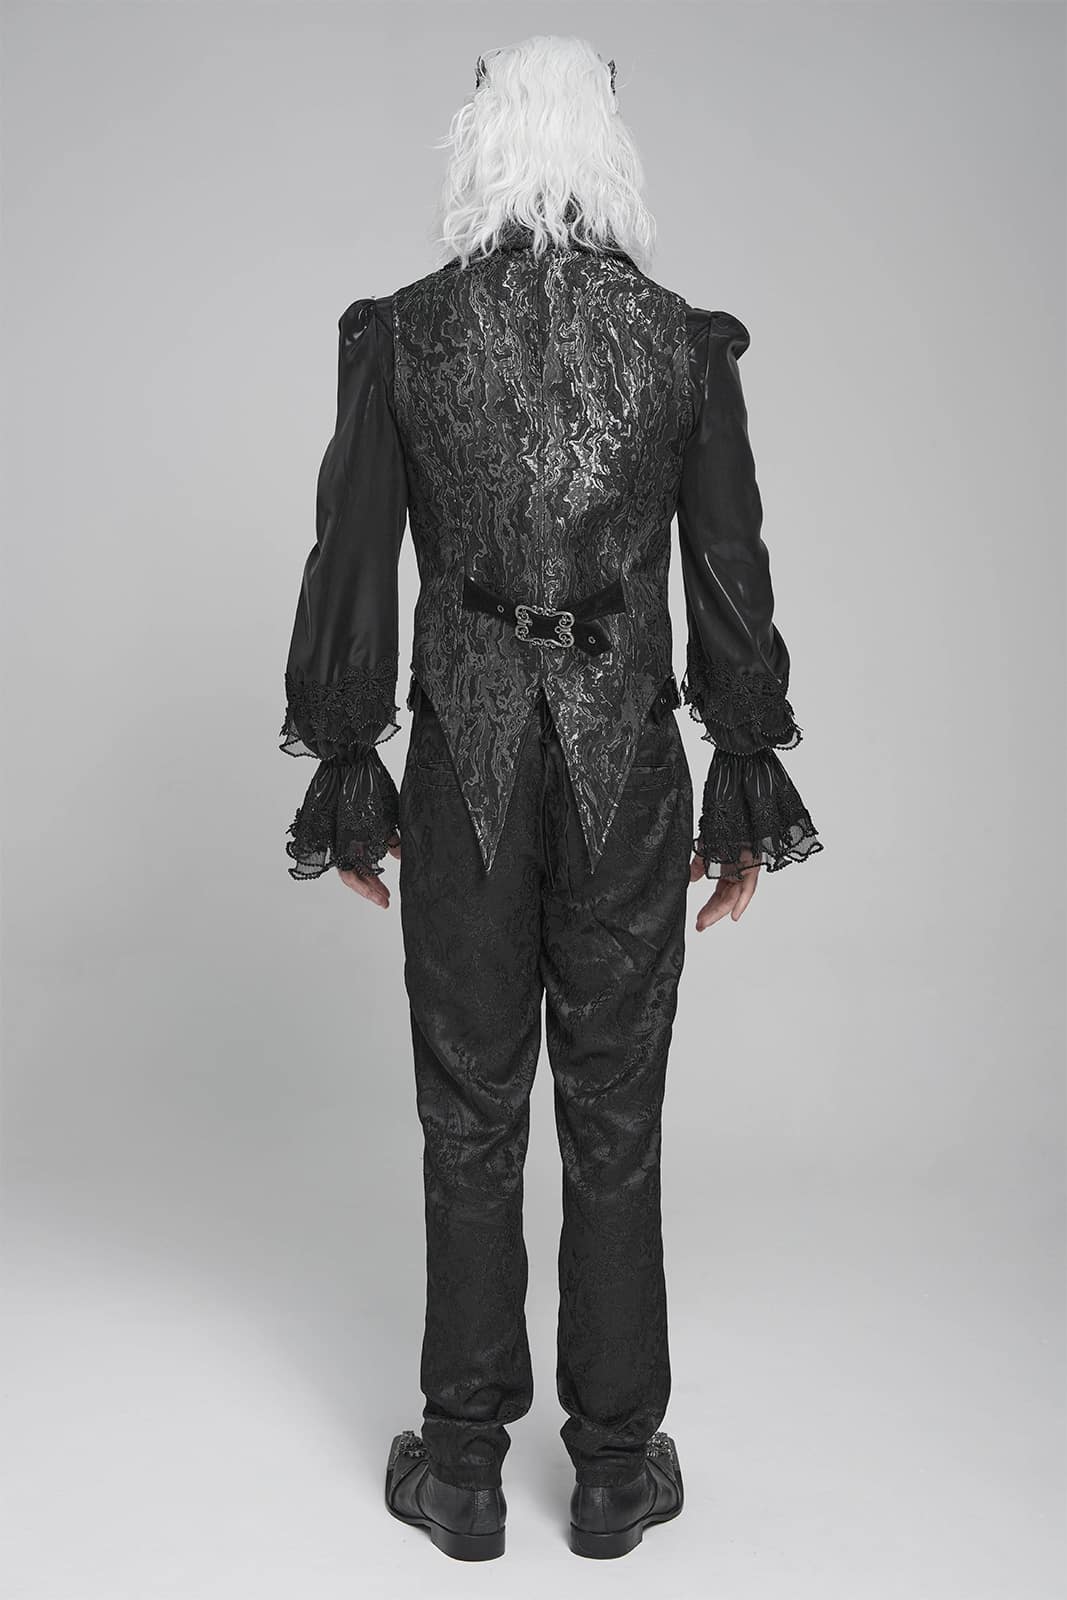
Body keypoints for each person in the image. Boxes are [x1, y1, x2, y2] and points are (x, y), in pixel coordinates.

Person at [279, 34, 823, 1563]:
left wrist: (352, 763)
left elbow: (351, 556)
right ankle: (614, 1469)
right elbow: (731, 568)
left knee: (467, 1113)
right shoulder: (678, 347)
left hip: (464, 768)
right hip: (622, 773)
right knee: (615, 1113)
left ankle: (460, 1468)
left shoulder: (406, 336)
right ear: (606, 146)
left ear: (483, 139)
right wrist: (743, 771)